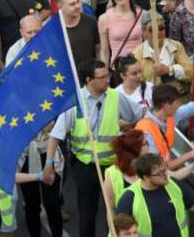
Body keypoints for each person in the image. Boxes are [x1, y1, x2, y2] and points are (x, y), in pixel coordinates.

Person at [46, 59, 140, 237]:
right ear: (89, 80)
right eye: (103, 77)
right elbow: (56, 135)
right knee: (87, 213)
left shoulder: (115, 97)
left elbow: (137, 115)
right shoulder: (74, 101)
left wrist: (127, 131)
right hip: (85, 166)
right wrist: (49, 163)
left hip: (112, 167)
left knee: (116, 213)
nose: (108, 80)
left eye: (108, 75)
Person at [132, 11, 192, 92]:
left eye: (161, 28)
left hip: (178, 97)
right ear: (144, 32)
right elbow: (136, 84)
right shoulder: (137, 54)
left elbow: (190, 73)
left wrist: (170, 70)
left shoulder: (176, 46)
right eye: (152, 29)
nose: (158, 32)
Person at [99, 0, 145, 67]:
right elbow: (104, 50)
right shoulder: (104, 18)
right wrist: (105, 71)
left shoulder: (142, 14)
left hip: (140, 64)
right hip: (119, 66)